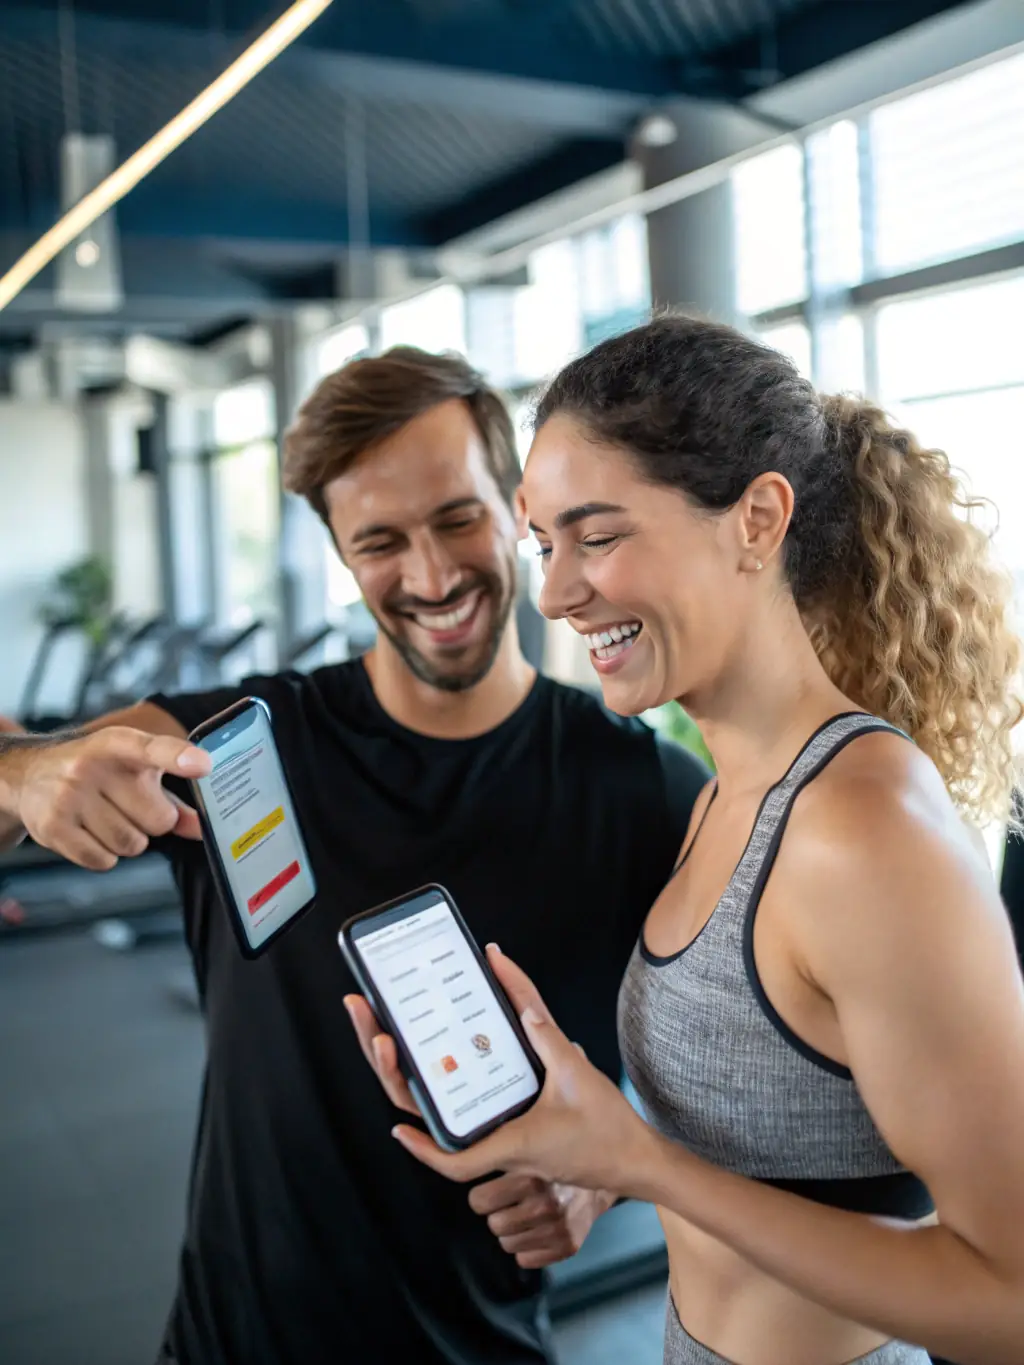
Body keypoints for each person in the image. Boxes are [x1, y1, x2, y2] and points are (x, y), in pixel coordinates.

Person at [0, 345, 709, 1365]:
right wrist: (26, 776)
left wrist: (611, 1169)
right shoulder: (235, 746)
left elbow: (742, 1072)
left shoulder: (643, 788)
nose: (429, 576)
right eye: (379, 541)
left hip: (483, 1345)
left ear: (515, 506)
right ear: (339, 550)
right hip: (230, 1345)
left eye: (457, 519)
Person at [352, 317, 1024, 1365]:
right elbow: (773, 1141)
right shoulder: (727, 791)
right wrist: (577, 1132)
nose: (556, 590)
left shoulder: (861, 832)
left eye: (598, 535)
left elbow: (1010, 1303)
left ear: (755, 519)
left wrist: (641, 1164)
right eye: (543, 543)